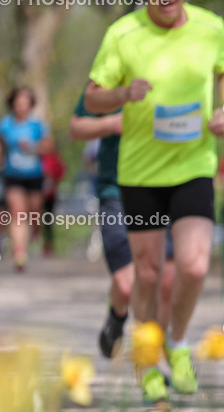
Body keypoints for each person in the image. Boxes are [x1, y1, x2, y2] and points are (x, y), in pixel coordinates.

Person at [84, 0, 224, 403]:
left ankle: (176, 342)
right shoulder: (123, 34)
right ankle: (147, 361)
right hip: (140, 175)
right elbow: (93, 97)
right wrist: (123, 94)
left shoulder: (211, 27)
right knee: (148, 276)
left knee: (193, 265)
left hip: (193, 166)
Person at [70, 89, 176, 360]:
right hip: (115, 190)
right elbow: (76, 127)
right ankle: (117, 317)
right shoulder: (109, 77)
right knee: (128, 284)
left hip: (160, 187)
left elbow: (223, 111)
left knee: (163, 279)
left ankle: (153, 354)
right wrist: (112, 124)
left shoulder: (173, 69)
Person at [0, 86, 53, 271]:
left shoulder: (39, 124)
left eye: (25, 102)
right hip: (13, 175)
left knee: (34, 211)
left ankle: (35, 228)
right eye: (18, 102)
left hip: (34, 175)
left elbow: (48, 147)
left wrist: (32, 147)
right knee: (18, 212)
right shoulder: (6, 124)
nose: (21, 106)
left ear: (31, 104)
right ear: (13, 104)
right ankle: (19, 253)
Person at [40, 144, 66, 257]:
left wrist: (55, 182)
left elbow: (60, 172)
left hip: (50, 195)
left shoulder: (54, 158)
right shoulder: (38, 158)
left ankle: (48, 245)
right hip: (37, 194)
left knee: (48, 221)